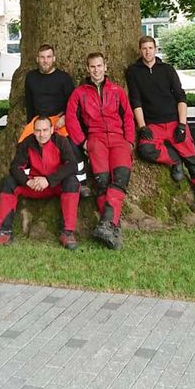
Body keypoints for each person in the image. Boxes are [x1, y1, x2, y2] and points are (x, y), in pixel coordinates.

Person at [125, 36, 195, 226]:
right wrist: (142, 127)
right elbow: (136, 101)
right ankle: (174, 161)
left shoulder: (167, 70)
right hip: (153, 125)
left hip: (175, 123)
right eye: (144, 48)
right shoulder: (134, 72)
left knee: (194, 164)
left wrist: (182, 125)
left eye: (151, 48)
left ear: (156, 49)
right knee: (145, 149)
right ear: (139, 50)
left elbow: (181, 97)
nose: (147, 52)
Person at [65, 52, 135, 251]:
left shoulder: (117, 91)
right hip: (95, 140)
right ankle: (113, 226)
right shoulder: (79, 93)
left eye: (99, 66)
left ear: (106, 67)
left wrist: (129, 141)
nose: (96, 70)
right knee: (102, 182)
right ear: (88, 69)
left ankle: (107, 224)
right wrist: (83, 142)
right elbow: (71, 118)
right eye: (92, 67)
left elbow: (128, 117)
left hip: (118, 139)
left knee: (120, 178)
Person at [0, 116, 80, 250]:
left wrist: (48, 180)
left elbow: (72, 166)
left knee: (72, 182)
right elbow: (15, 167)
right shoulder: (27, 143)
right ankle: (3, 232)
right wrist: (27, 182)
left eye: (45, 130)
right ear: (34, 131)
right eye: (38, 130)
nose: (42, 134)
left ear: (52, 130)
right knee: (8, 182)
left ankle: (67, 233)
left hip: (55, 185)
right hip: (33, 186)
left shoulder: (61, 141)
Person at [19, 43, 88, 195]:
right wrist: (31, 123)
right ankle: (30, 180)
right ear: (37, 59)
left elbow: (73, 104)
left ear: (54, 58)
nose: (45, 61)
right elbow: (29, 104)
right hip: (39, 119)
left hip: (59, 118)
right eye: (42, 57)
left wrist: (65, 118)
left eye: (48, 57)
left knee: (72, 143)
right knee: (24, 142)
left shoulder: (63, 78)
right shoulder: (31, 77)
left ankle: (81, 181)